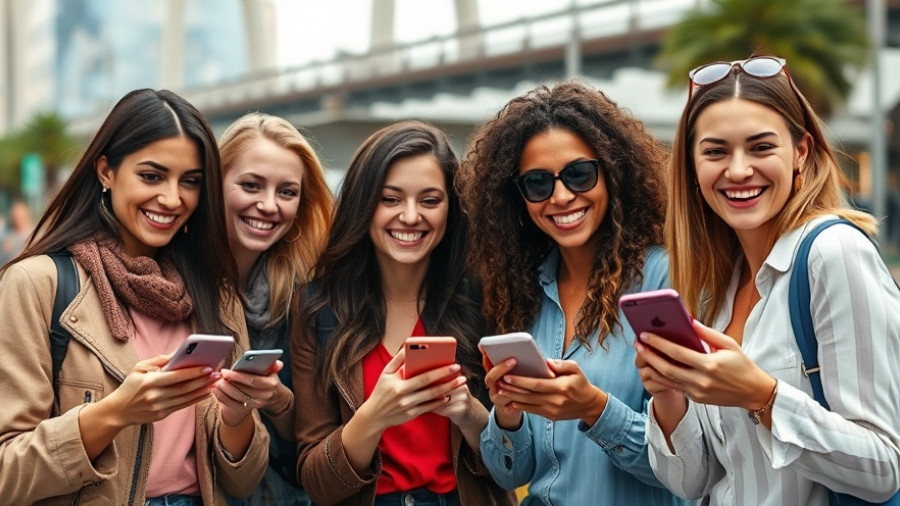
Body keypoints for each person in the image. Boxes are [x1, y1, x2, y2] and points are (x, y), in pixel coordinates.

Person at [635, 55, 900, 504]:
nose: (738, 170)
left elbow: (884, 468)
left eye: (760, 147)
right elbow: (692, 482)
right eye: (715, 152)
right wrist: (668, 395)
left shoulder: (832, 254)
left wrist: (761, 396)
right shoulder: (715, 289)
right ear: (693, 167)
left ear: (801, 152)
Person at [0, 89, 274, 505]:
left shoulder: (216, 293)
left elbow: (243, 482)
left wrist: (238, 419)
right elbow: (7, 472)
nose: (172, 198)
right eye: (151, 176)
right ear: (106, 172)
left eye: (190, 182)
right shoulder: (37, 283)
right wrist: (115, 413)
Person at [457, 80, 688, 505]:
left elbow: (687, 466)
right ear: (518, 197)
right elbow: (512, 474)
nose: (561, 197)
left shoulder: (664, 280)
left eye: (579, 174)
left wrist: (594, 409)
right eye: (538, 183)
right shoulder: (522, 291)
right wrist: (506, 416)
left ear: (613, 174)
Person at [293, 120, 516, 506]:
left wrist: (471, 414)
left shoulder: (484, 299)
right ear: (363, 205)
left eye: (429, 201)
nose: (411, 216)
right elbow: (318, 484)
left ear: (451, 209)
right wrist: (374, 417)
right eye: (391, 199)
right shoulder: (317, 308)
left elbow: (518, 463)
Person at [219, 112, 333, 505]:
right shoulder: (173, 283)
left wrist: (279, 401)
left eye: (287, 192)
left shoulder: (310, 295)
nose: (268, 205)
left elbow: (317, 440)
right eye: (251, 185)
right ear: (216, 183)